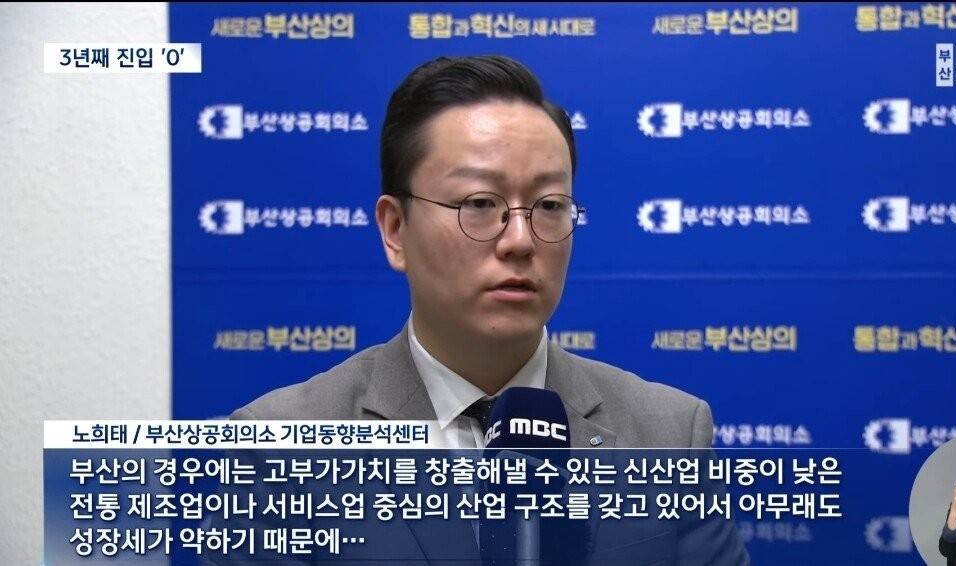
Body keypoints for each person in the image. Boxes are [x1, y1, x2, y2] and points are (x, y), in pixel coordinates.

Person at [216, 54, 749, 565]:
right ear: (396, 230)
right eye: (479, 204)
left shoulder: (671, 434)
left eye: (549, 206)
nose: (520, 240)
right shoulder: (278, 448)